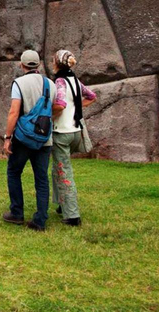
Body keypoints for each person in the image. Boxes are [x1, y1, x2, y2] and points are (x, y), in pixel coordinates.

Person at [2, 50, 56, 231]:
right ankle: (40, 219)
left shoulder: (19, 83)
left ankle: (16, 213)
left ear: (22, 65)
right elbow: (54, 108)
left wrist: (8, 137)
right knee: (41, 178)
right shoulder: (50, 84)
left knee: (14, 172)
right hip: (44, 139)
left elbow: (14, 112)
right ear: (39, 65)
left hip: (24, 138)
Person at [51, 49, 97, 226]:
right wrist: (76, 109)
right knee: (57, 169)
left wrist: (47, 113)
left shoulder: (61, 81)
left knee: (63, 171)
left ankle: (72, 215)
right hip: (76, 130)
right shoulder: (75, 80)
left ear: (58, 63)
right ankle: (63, 204)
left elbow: (60, 104)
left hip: (62, 132)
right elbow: (91, 96)